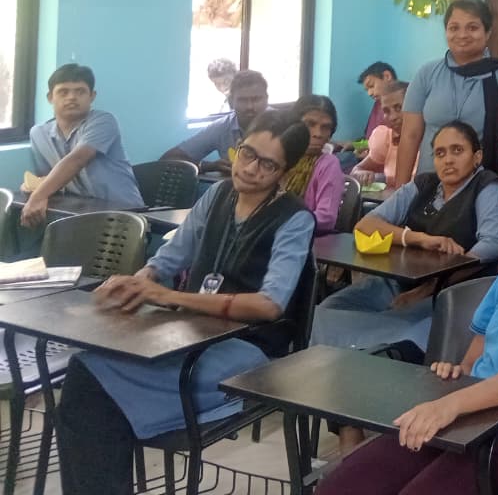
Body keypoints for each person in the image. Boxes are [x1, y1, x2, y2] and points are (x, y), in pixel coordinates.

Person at [55, 110, 316, 495]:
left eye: (268, 164)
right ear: (237, 147)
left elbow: (270, 305)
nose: (251, 169)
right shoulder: (217, 194)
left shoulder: (295, 219)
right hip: (189, 334)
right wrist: (137, 281)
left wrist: (171, 297)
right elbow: (169, 258)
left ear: (284, 171)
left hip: (248, 351)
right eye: (247, 153)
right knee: (86, 373)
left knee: (93, 389)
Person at [315, 181, 498, 495]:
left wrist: (450, 405)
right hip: (467, 418)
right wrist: (458, 373)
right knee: (341, 485)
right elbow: (475, 355)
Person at [313, 120, 498, 453]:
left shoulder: (485, 187)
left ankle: (356, 428)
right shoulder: (423, 185)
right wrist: (417, 237)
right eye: (440, 153)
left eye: (458, 151)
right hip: (398, 284)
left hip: (450, 300)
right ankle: (349, 419)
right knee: (327, 312)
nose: (448, 160)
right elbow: (366, 225)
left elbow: (493, 244)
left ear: (477, 156)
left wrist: (436, 283)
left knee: (372, 341)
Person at [397, 0, 498, 188]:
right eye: (454, 28)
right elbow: (410, 135)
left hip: (479, 188)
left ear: (488, 32)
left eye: (472, 27)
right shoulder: (427, 74)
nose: (462, 35)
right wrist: (400, 191)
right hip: (429, 185)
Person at [24, 63, 144, 226]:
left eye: (80, 91)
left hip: (124, 215)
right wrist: (34, 187)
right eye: (63, 92)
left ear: (92, 96)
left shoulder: (103, 121)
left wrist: (38, 195)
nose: (72, 97)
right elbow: (48, 178)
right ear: (50, 97)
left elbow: (78, 159)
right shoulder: (38, 133)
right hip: (77, 213)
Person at [164, 69, 269, 176]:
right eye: (242, 100)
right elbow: (169, 159)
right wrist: (208, 166)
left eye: (256, 99)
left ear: (267, 99)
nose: (250, 106)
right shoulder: (221, 127)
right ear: (231, 102)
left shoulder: (283, 123)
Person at [282, 94, 345, 233]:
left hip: (303, 238)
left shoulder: (328, 164)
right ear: (294, 125)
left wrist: (282, 225)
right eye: (310, 124)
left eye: (326, 127)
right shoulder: (280, 156)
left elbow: (326, 218)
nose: (318, 133)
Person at [354, 81, 416, 185]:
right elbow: (357, 170)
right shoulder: (387, 139)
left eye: (399, 108)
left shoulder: (432, 142)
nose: (393, 117)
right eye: (386, 111)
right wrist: (361, 174)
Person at [359, 60, 398, 138]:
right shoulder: (378, 103)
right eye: (367, 90)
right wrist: (354, 145)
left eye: (371, 86)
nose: (369, 93)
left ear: (387, 76)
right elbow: (371, 140)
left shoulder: (408, 98)